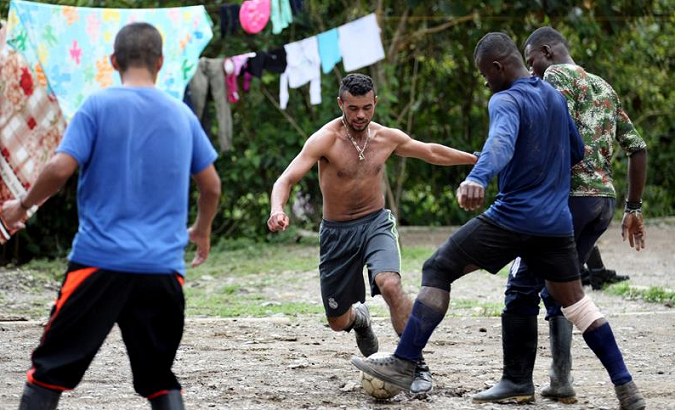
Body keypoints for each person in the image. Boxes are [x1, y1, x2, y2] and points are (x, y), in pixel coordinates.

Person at [351, 32, 646, 410]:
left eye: (484, 75)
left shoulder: (505, 98)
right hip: (556, 224)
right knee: (575, 303)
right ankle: (627, 388)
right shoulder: (554, 97)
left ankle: (405, 362)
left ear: (497, 67)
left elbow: (501, 142)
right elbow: (575, 150)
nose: (485, 82)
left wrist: (478, 176)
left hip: (512, 218)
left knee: (438, 267)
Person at [2, 23, 221, 410]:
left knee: (47, 373)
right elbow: (211, 186)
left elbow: (58, 169)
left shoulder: (97, 106)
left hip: (97, 264)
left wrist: (21, 207)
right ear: (161, 62)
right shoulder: (182, 115)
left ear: (113, 61)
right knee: (158, 379)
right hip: (162, 269)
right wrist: (201, 231)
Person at [267, 73, 477, 394]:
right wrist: (277, 209)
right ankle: (359, 320)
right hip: (337, 234)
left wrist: (477, 160)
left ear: (375, 102)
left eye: (367, 107)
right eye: (353, 108)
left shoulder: (386, 138)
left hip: (376, 223)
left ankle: (414, 362)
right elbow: (286, 179)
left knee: (391, 284)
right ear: (341, 104)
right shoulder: (325, 139)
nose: (360, 115)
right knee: (337, 320)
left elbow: (431, 152)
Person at [471, 26, 648, 404]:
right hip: (603, 201)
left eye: (530, 57)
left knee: (522, 286)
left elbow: (547, 132)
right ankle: (562, 379)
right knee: (562, 286)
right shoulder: (603, 86)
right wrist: (634, 207)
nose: (528, 67)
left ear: (546, 53)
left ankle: (518, 381)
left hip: (562, 201)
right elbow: (637, 146)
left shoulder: (547, 80)